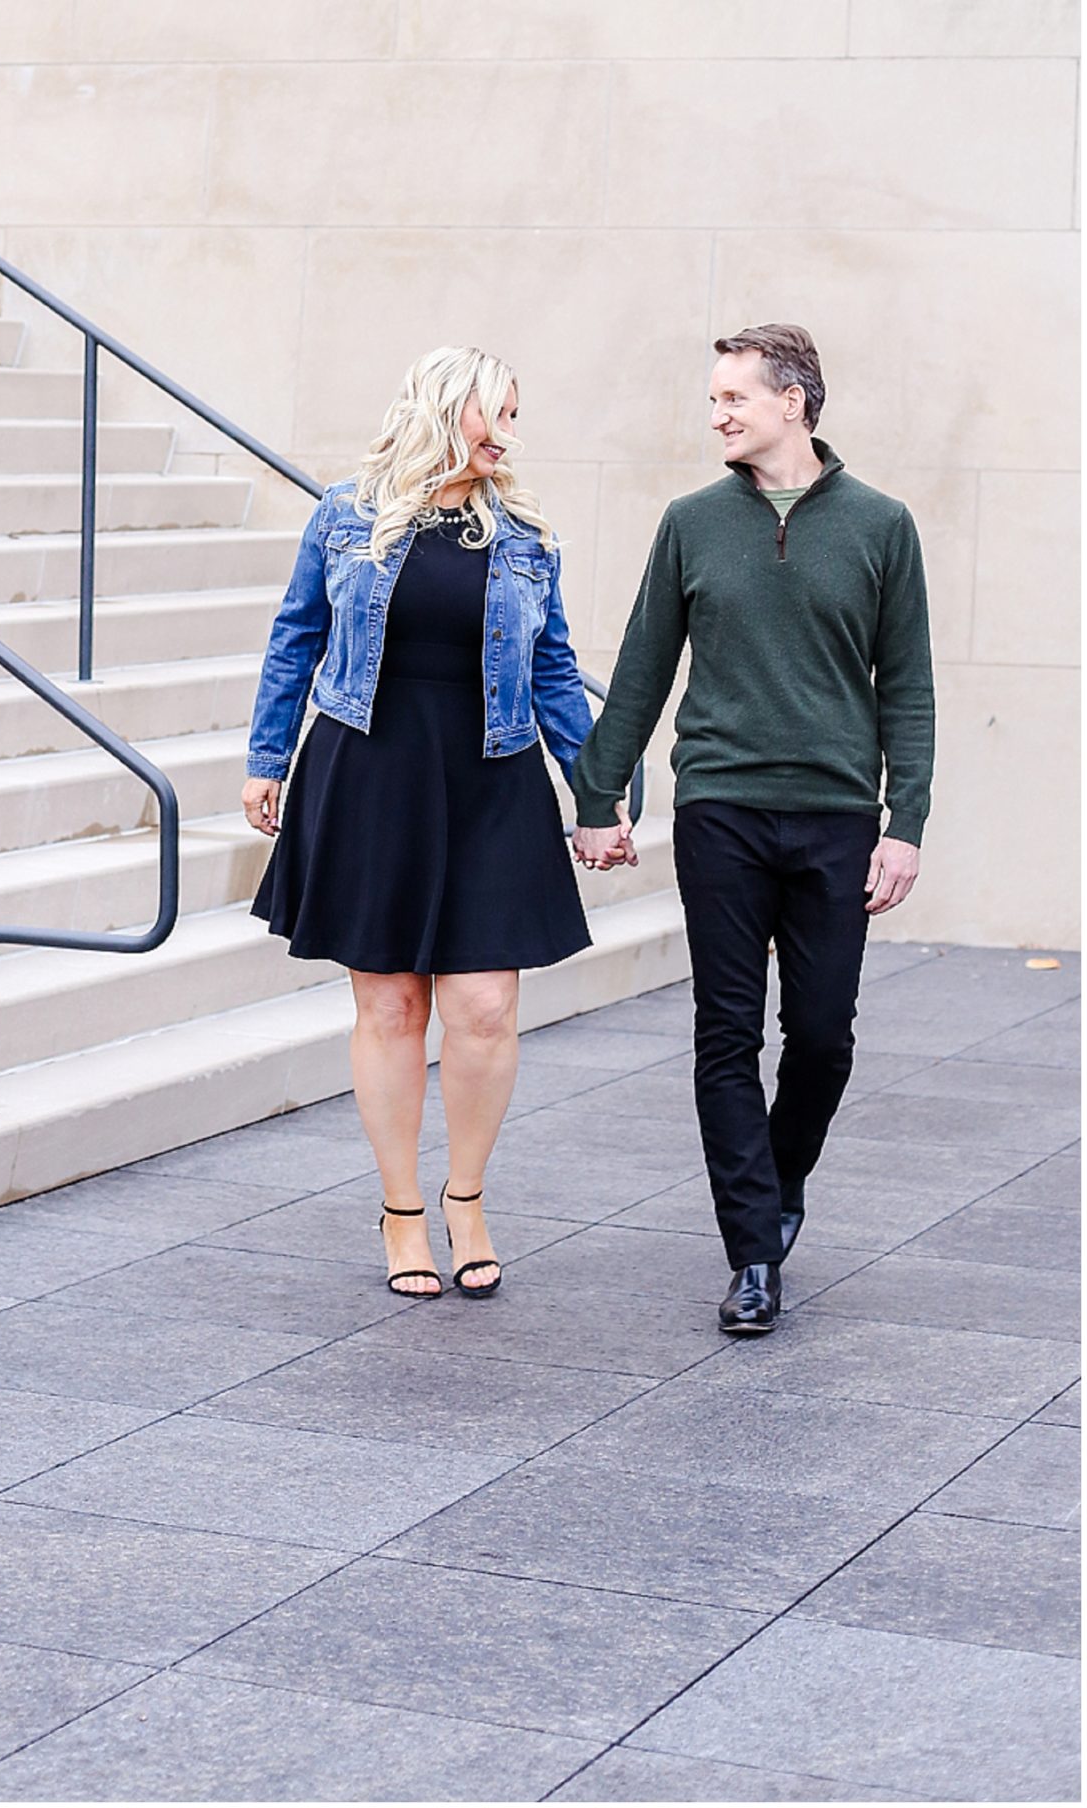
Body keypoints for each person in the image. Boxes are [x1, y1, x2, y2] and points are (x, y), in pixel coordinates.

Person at [571, 323, 934, 1337]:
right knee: (725, 1032)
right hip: (721, 809)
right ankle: (754, 1254)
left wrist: (903, 822)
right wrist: (599, 797)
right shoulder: (693, 522)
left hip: (833, 818)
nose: (719, 413)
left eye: (735, 397)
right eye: (715, 397)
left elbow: (908, 684)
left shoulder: (880, 524)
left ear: (794, 402)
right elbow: (643, 667)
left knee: (821, 1036)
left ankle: (779, 1181)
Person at [241, 345, 597, 1301]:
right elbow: (297, 637)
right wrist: (267, 758)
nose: (510, 436)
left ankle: (467, 1197)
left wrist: (596, 790)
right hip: (371, 770)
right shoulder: (345, 515)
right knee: (391, 1005)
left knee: (484, 1007)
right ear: (448, 411)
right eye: (498, 416)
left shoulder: (523, 534)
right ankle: (402, 1209)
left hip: (491, 776)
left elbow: (555, 667)